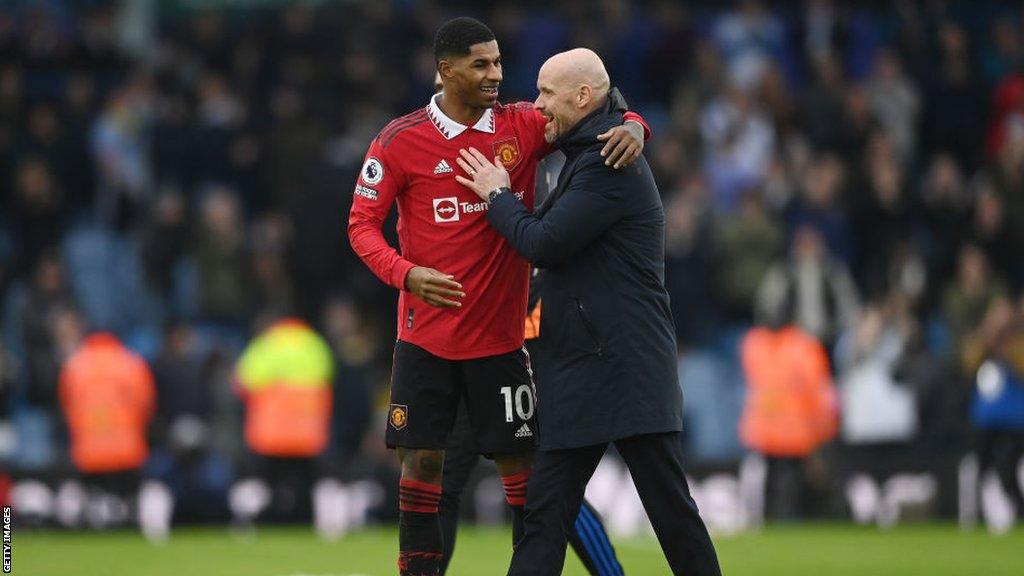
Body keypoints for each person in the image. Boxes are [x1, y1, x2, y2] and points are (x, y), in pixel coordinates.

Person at [348, 17, 648, 576]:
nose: (497, 74)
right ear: (446, 70)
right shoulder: (397, 140)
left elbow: (593, 110)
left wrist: (635, 123)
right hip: (425, 341)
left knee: (531, 477)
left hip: (502, 343)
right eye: (481, 64)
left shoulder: (522, 125)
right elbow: (361, 225)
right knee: (427, 466)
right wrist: (406, 273)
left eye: (498, 62)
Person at [455, 48, 722, 575]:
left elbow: (544, 243)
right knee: (545, 513)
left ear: (582, 97)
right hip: (585, 369)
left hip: (625, 367)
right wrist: (635, 120)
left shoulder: (607, 162)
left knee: (669, 513)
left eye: (547, 94)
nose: (537, 105)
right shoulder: (587, 154)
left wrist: (497, 196)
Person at [425, 73, 625, 576]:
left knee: (545, 489)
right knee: (443, 487)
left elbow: (612, 110)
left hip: (521, 347)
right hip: (466, 347)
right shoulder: (428, 142)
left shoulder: (525, 133)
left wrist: (637, 125)